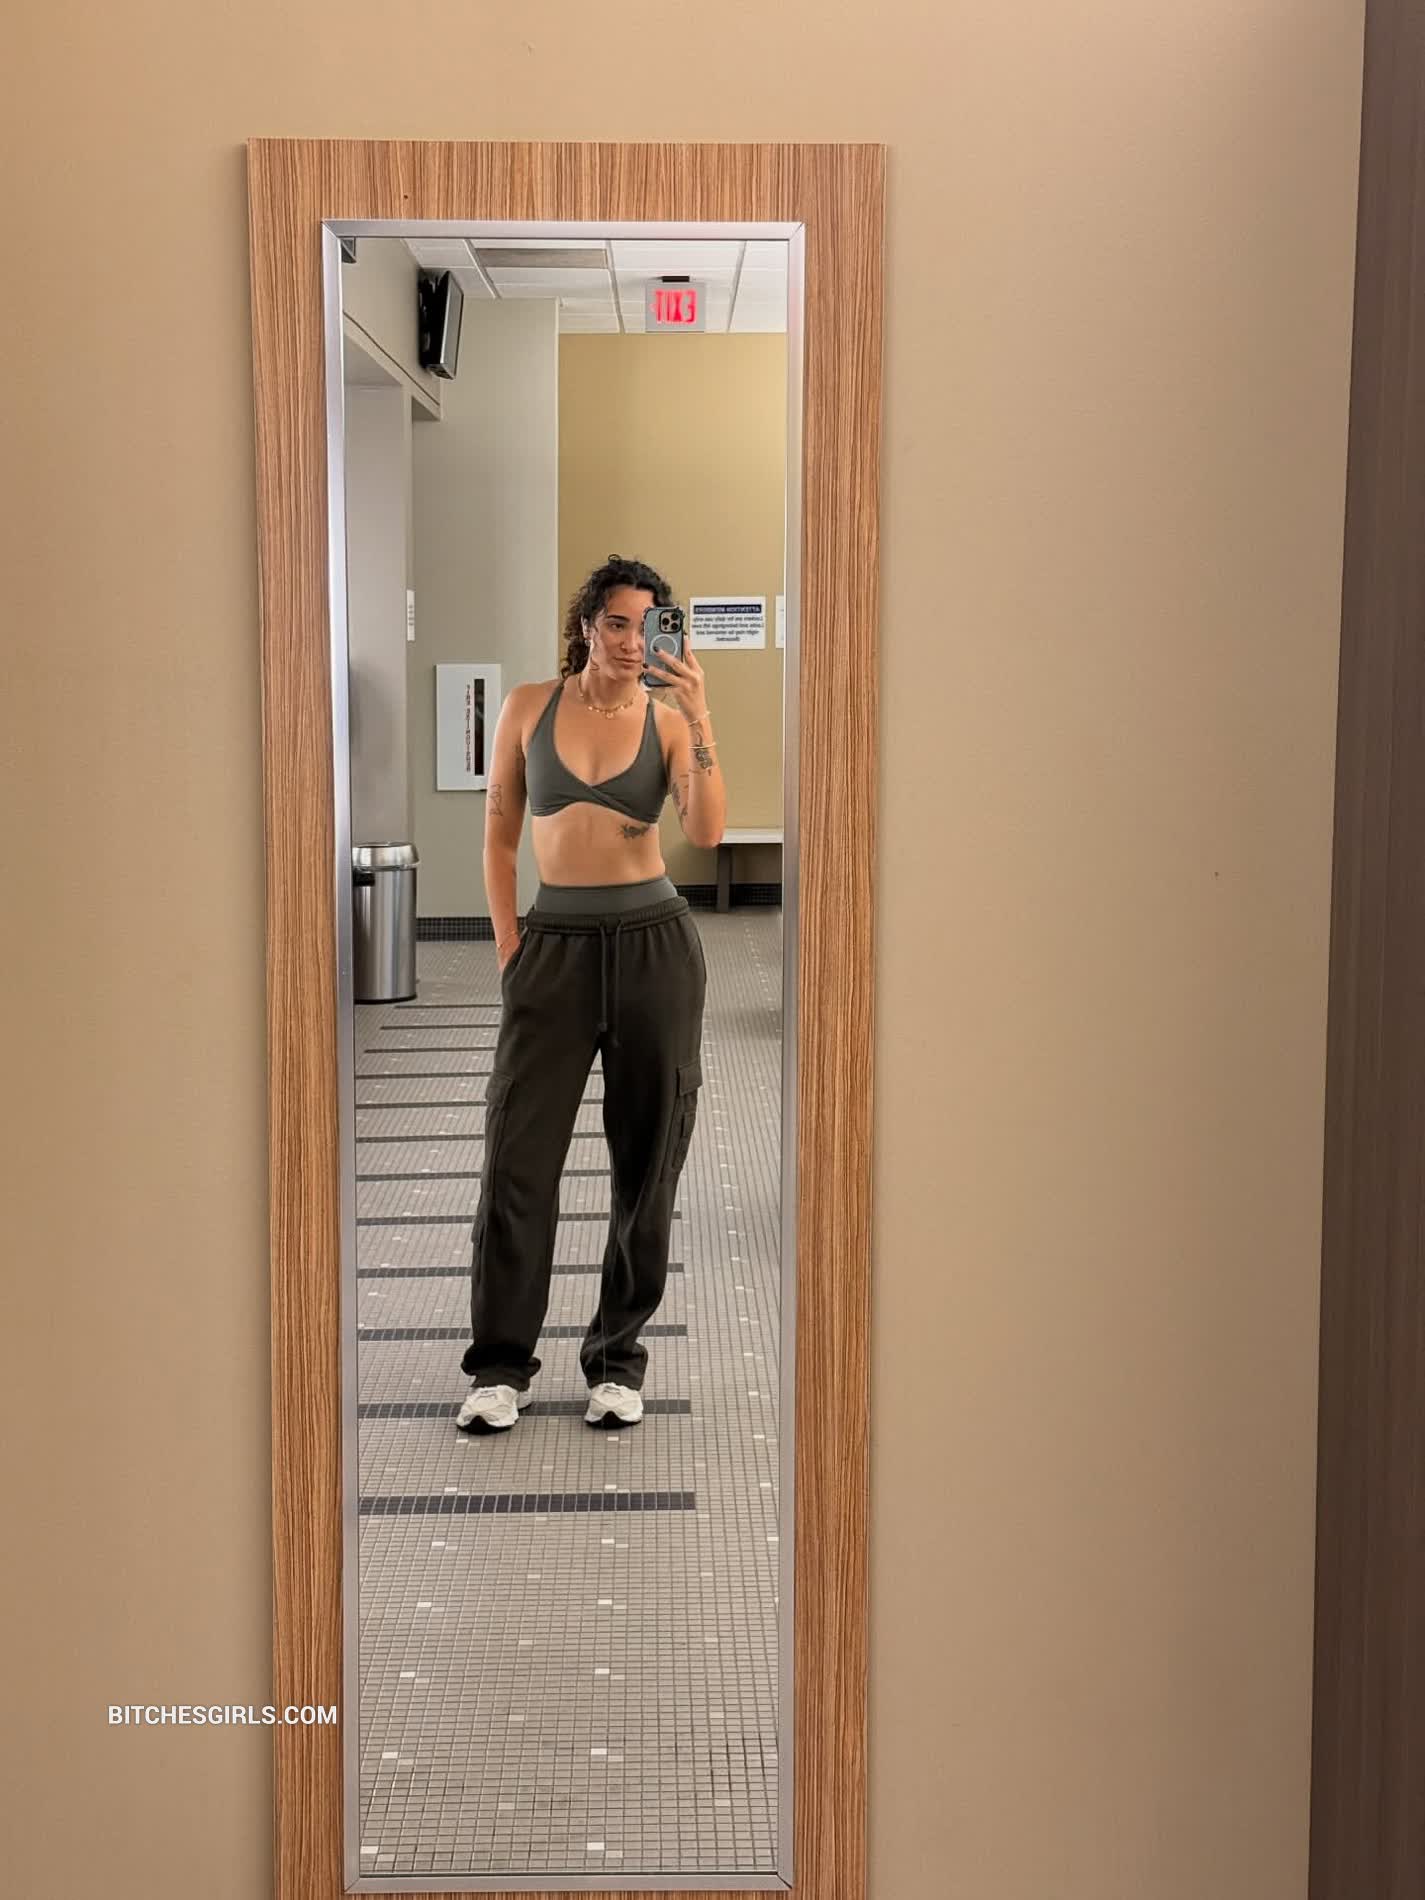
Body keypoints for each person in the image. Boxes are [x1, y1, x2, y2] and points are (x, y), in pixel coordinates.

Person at [455, 555, 726, 1434]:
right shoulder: (528, 706)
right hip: (553, 951)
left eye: (649, 626)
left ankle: (615, 1362)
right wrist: (510, 947)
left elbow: (707, 831)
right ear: (585, 625)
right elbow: (499, 840)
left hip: (655, 950)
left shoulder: (670, 723)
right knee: (517, 1160)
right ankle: (500, 1368)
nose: (631, 641)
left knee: (648, 1162)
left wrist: (699, 712)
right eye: (616, 622)